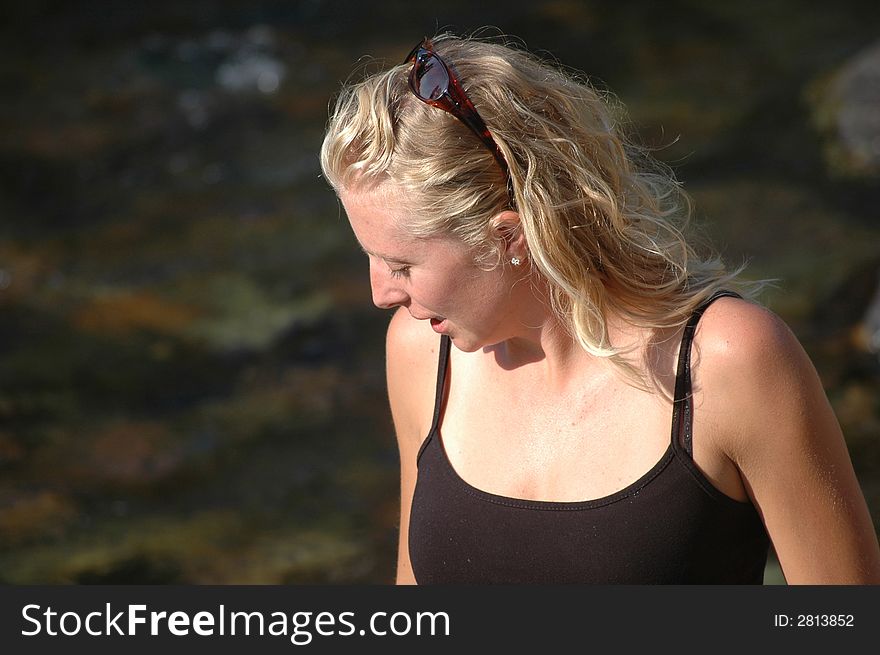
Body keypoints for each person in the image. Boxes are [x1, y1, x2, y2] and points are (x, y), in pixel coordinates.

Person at [319, 33, 880, 584]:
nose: (380, 294)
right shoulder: (420, 352)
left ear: (510, 238)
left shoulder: (726, 362)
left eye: (401, 266)